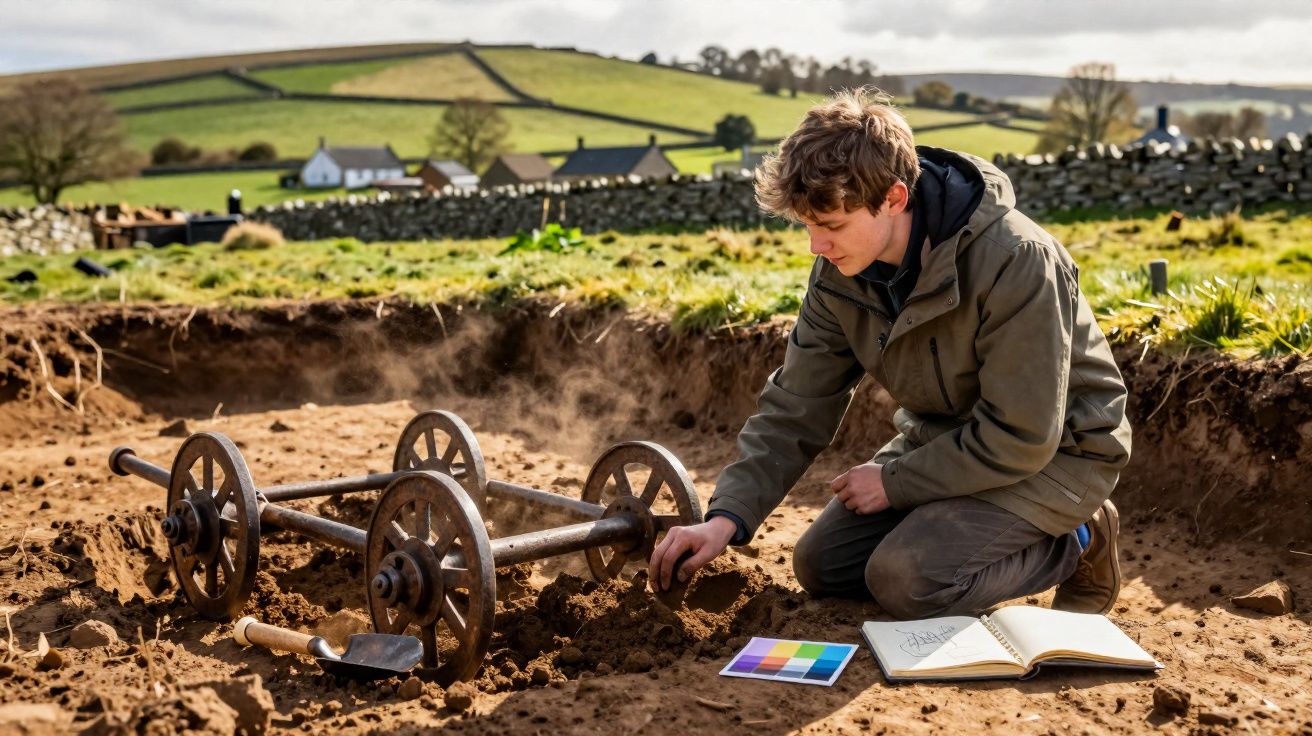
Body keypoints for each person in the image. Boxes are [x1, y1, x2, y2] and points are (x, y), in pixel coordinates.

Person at [648, 88, 1132, 619]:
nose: (817, 246)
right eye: (808, 226)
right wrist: (727, 518)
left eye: (831, 225)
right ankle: (960, 519)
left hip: (1056, 454)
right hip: (946, 443)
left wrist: (894, 483)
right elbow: (796, 403)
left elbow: (1022, 435)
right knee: (822, 567)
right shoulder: (841, 272)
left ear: (894, 198)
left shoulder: (1017, 259)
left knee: (907, 580)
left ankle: (1082, 537)